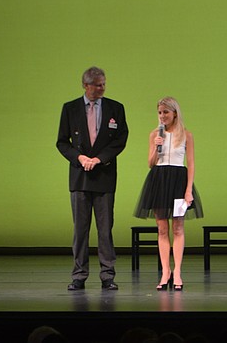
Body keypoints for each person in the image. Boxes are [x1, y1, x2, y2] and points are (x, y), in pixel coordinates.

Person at [56, 66, 129, 291]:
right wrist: (80, 157)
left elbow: (120, 139)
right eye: (97, 85)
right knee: (81, 229)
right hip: (80, 177)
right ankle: (79, 275)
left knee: (105, 229)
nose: (102, 88)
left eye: (103, 84)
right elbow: (62, 142)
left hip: (104, 176)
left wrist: (98, 159)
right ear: (86, 85)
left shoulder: (116, 108)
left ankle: (107, 275)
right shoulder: (70, 109)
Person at [133, 96, 203, 291]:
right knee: (162, 229)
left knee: (178, 228)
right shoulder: (155, 134)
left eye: (165, 112)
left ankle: (178, 271)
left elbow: (191, 164)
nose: (162, 116)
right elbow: (150, 163)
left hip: (178, 180)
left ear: (174, 113)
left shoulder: (186, 135)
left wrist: (188, 190)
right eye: (160, 112)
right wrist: (157, 145)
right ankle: (165, 271)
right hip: (159, 179)